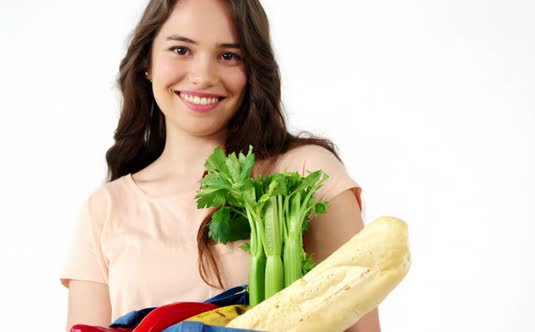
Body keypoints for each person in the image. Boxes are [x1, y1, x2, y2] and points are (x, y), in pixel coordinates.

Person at [60, 0, 381, 331]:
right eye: (181, 49)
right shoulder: (104, 209)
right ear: (148, 63)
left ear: (253, 68)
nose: (202, 76)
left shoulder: (305, 175)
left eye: (229, 55)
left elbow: (360, 325)